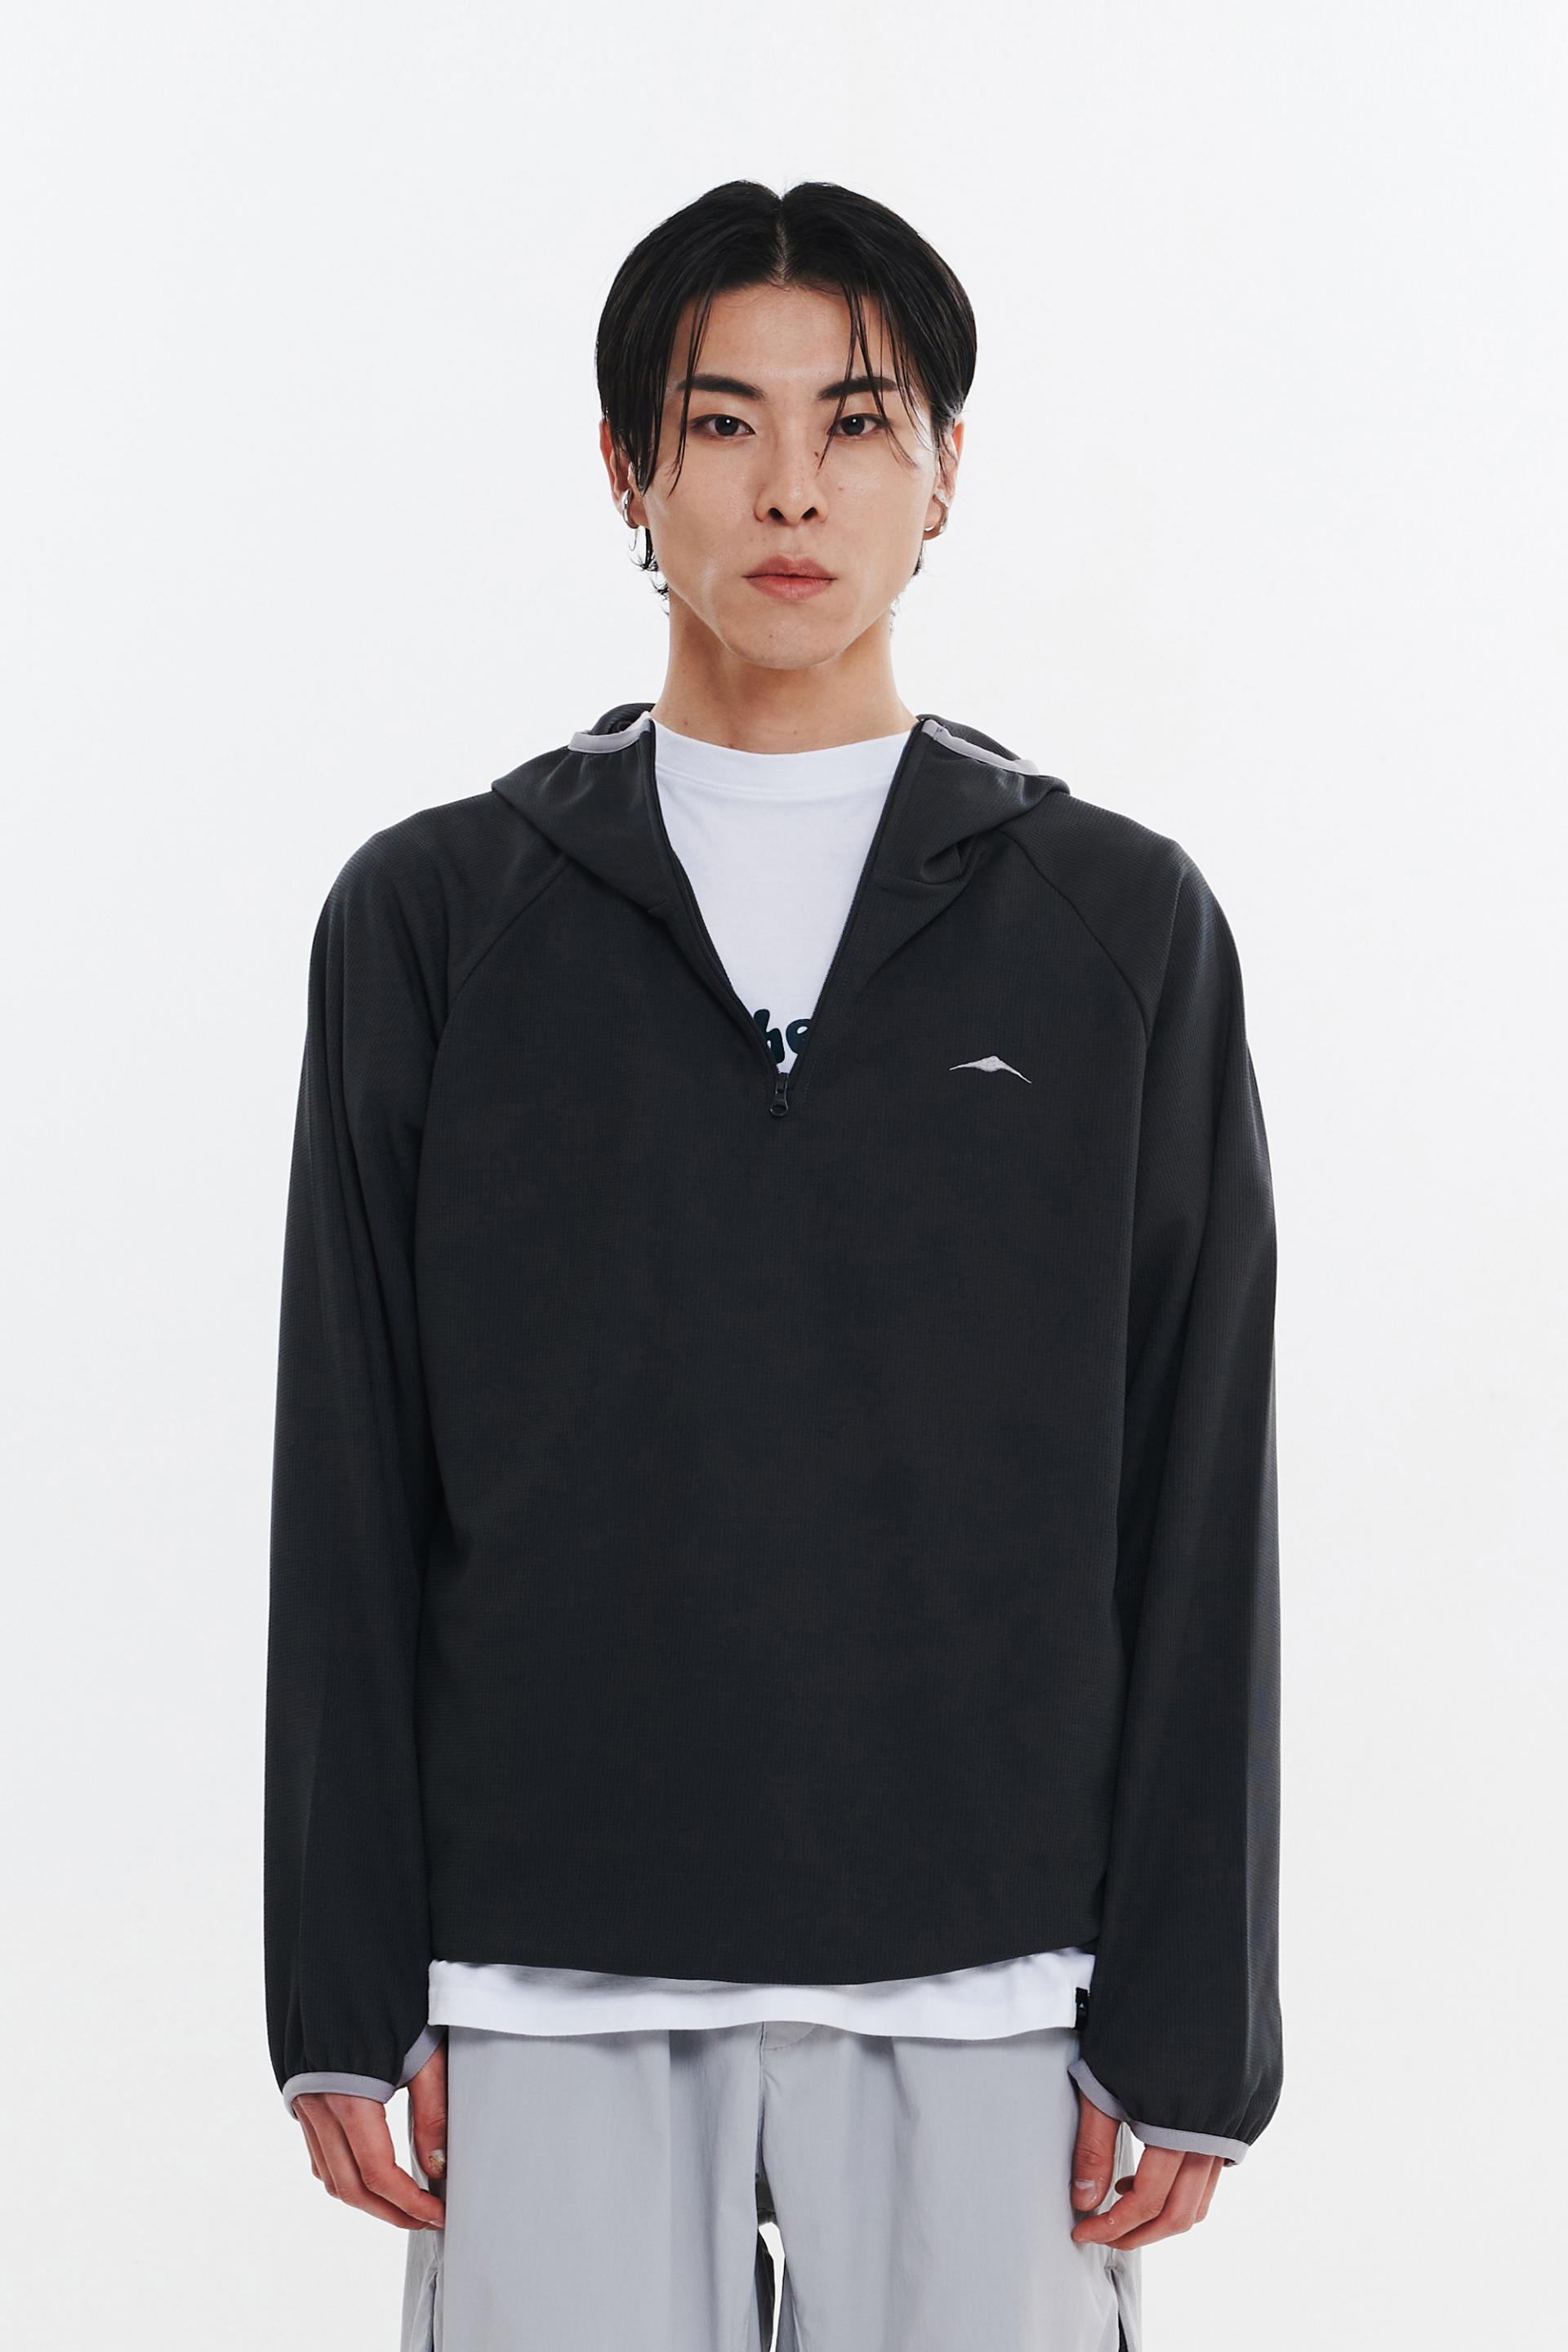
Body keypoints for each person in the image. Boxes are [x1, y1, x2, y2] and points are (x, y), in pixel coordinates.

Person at [264, 179, 1283, 2352]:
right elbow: (347, 1466)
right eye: (723, 423)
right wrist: (340, 1984)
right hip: (545, 1970)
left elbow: (1199, 1489)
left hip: (996, 1982)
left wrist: (1195, 2006)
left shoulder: (1119, 930)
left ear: (946, 470)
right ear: (627, 470)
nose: (793, 488)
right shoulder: (436, 923)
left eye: (859, 420)